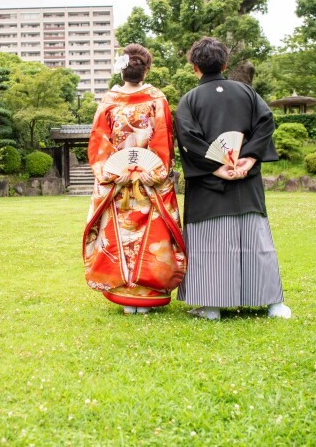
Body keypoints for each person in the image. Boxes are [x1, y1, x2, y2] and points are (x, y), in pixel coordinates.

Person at [174, 37, 291, 320]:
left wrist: (216, 166)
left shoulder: (189, 100)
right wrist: (248, 157)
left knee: (209, 244)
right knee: (256, 240)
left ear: (194, 68)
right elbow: (266, 122)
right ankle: (273, 304)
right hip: (245, 179)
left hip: (208, 184)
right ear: (225, 64)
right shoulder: (247, 93)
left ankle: (211, 306)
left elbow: (188, 138)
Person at [83, 44, 186, 315]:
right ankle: (148, 292)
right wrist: (150, 173)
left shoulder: (109, 101)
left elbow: (98, 142)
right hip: (148, 182)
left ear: (122, 70)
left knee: (118, 235)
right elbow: (163, 140)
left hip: (117, 183)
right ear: (146, 69)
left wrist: (114, 173)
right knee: (149, 235)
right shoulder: (156, 99)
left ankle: (125, 294)